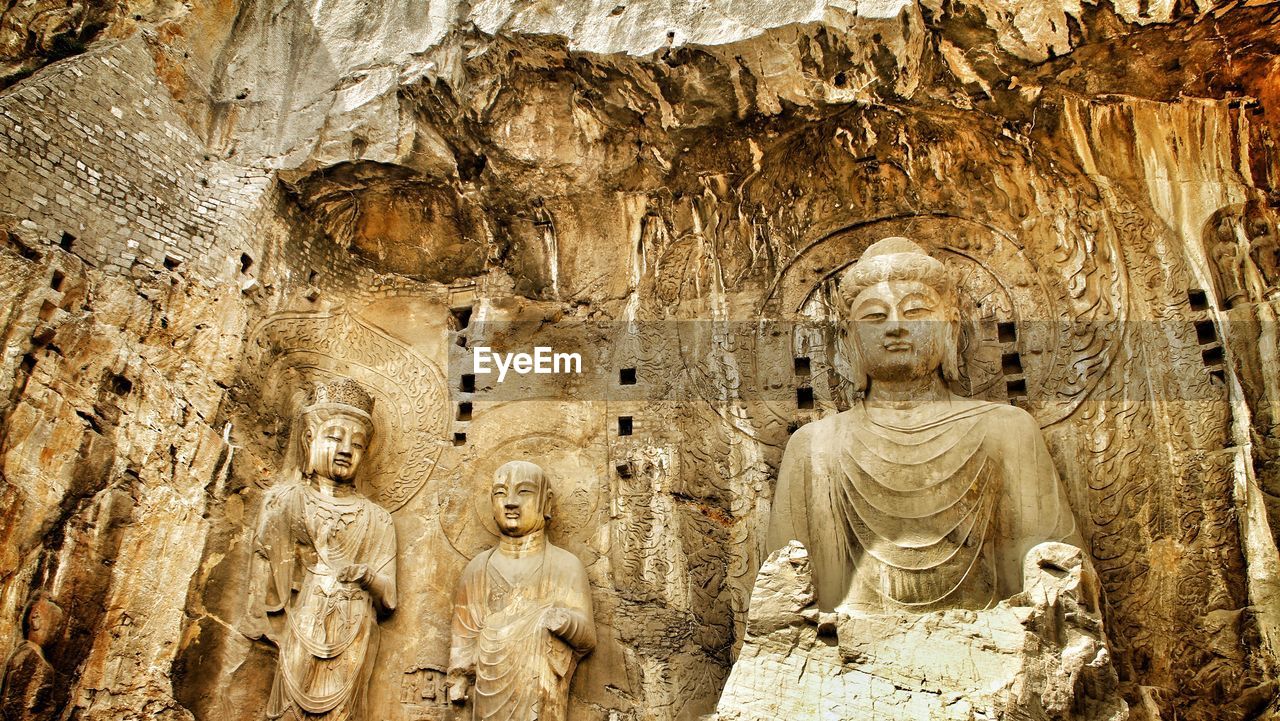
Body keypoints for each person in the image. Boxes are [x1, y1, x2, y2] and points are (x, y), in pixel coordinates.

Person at [768, 237, 1083, 613]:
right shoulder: (815, 445)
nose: (896, 327)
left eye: (916, 312)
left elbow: (1052, 573)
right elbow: (783, 592)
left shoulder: (1007, 429)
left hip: (988, 642)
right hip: (850, 651)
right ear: (849, 338)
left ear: (950, 329)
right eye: (874, 316)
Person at [249, 378, 397, 721]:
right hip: (302, 625)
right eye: (334, 437)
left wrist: (367, 576)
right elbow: (263, 588)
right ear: (309, 440)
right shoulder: (285, 502)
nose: (345, 449)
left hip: (354, 629)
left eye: (357, 444)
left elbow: (389, 595)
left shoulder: (377, 519)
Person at [448, 461, 595, 721]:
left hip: (541, 692)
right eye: (501, 493)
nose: (511, 503)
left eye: (524, 492)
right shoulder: (478, 568)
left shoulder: (564, 565)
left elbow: (587, 638)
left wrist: (561, 621)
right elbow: (464, 635)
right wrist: (459, 676)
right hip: (488, 691)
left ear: (546, 503)